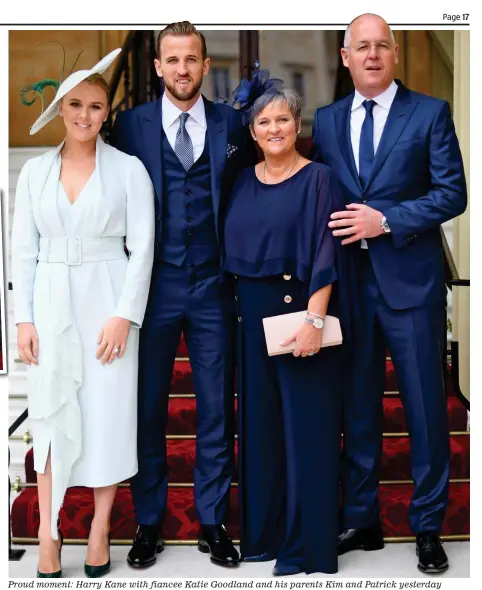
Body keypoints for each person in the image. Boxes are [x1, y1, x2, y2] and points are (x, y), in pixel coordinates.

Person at [311, 13, 467, 574]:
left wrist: (388, 220)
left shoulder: (430, 113)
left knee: (425, 408)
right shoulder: (326, 121)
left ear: (395, 54)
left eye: (382, 46)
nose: (372, 55)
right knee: (358, 407)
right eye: (362, 47)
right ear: (346, 56)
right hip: (350, 289)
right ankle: (363, 518)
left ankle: (427, 525)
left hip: (412, 286)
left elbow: (453, 194)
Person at [110, 22, 256, 569]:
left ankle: (212, 521)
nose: (182, 70)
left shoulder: (232, 123)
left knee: (216, 406)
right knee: (147, 407)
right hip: (152, 287)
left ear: (204, 64)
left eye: (191, 59)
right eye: (172, 60)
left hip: (214, 284)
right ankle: (148, 522)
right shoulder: (129, 125)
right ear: (156, 67)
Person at [12, 49, 155, 578]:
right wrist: (23, 319)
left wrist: (124, 316)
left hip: (108, 303)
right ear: (60, 107)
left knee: (109, 416)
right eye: (75, 104)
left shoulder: (129, 171)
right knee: (49, 418)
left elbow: (142, 249)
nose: (84, 115)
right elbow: (21, 251)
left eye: (95, 106)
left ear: (105, 112)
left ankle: (99, 532)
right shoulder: (34, 173)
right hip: (49, 301)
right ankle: (49, 534)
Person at [223, 79, 357, 576]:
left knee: (308, 432)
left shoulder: (319, 177)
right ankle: (268, 536)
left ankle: (308, 547)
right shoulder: (242, 179)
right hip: (251, 315)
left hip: (300, 311)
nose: (274, 128)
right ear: (253, 131)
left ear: (297, 125)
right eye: (264, 121)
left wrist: (314, 320)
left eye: (283, 119)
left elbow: (328, 251)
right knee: (261, 432)